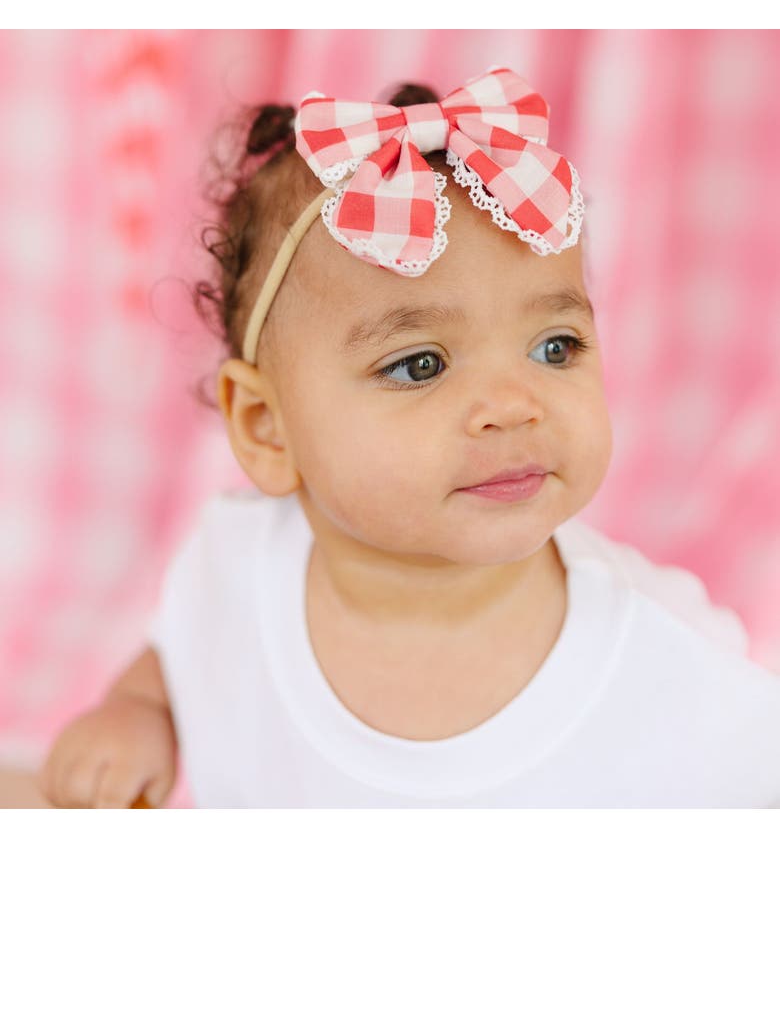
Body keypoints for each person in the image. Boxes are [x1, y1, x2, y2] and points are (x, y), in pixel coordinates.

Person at [37, 66, 780, 808]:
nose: (513, 406)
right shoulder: (236, 565)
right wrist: (138, 712)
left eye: (555, 347)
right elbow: (183, 649)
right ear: (267, 428)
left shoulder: (666, 657)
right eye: (420, 364)